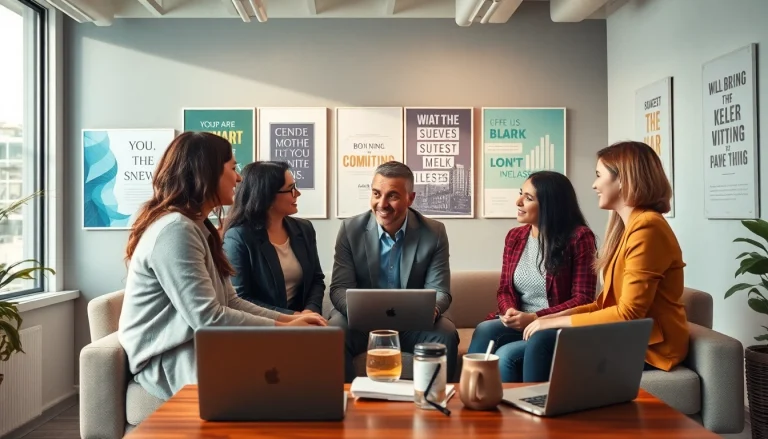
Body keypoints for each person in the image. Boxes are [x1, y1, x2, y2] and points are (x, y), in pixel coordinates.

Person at [118, 132, 326, 402]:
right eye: (232, 168)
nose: (239, 178)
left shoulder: (197, 227)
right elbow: (208, 319)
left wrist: (289, 320)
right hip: (169, 356)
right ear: (206, 173)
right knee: (281, 383)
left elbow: (229, 301)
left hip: (197, 343)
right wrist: (284, 329)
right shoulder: (176, 231)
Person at [520, 140, 688, 382]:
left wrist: (554, 324)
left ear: (623, 180)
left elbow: (629, 314)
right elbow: (604, 305)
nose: (594, 184)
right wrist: (546, 319)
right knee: (529, 345)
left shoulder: (647, 227)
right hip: (627, 337)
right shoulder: (626, 228)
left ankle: (540, 416)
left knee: (544, 342)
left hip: (651, 350)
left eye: (599, 175)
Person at [329, 161, 459, 383]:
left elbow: (440, 290)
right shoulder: (350, 229)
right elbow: (339, 288)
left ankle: (435, 400)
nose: (382, 204)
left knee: (445, 333)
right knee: (335, 332)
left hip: (413, 325)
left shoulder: (434, 232)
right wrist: (357, 312)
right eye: (377, 194)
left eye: (393, 196)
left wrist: (433, 310)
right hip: (361, 324)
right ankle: (344, 405)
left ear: (411, 198)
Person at [466, 171, 597, 382]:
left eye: (528, 198)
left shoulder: (579, 237)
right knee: (485, 329)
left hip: (555, 326)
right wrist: (510, 311)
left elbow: (583, 298)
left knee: (506, 356)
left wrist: (537, 317)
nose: (518, 202)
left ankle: (521, 409)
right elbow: (505, 289)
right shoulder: (515, 237)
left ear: (550, 204)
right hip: (522, 322)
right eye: (521, 194)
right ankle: (471, 395)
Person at [222, 161, 325, 316]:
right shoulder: (238, 238)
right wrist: (292, 318)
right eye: (291, 189)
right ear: (267, 196)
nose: (297, 193)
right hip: (263, 328)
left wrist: (310, 311)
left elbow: (316, 280)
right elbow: (240, 299)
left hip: (304, 322)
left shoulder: (304, 229)